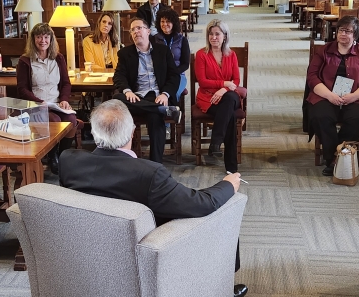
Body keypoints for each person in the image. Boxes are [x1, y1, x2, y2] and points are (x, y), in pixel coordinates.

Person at [59, 99, 248, 297]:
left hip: (86, 254)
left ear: (94, 132)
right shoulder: (149, 174)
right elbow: (201, 203)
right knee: (224, 210)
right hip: (144, 252)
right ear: (132, 132)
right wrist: (228, 184)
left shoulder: (69, 161)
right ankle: (221, 286)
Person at [306, 16, 359, 176]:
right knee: (321, 116)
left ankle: (335, 155)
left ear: (356, 35)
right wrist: (329, 95)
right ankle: (336, 157)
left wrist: (354, 96)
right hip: (326, 95)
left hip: (356, 97)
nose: (343, 34)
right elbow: (312, 77)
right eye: (341, 30)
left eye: (348, 31)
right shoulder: (324, 51)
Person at [113, 17, 181, 163]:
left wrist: (165, 94)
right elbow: (118, 76)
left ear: (148, 31)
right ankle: (161, 109)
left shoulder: (162, 51)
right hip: (136, 97)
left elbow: (174, 76)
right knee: (117, 99)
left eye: (139, 28)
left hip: (157, 96)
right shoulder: (125, 53)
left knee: (154, 118)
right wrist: (127, 91)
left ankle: (155, 164)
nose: (136, 32)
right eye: (132, 30)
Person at [17, 23, 78, 174]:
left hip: (56, 103)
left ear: (51, 39)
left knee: (72, 121)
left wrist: (64, 99)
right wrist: (38, 101)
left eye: (46, 37)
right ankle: (52, 156)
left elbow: (65, 83)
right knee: (55, 122)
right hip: (36, 105)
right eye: (39, 37)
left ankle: (60, 154)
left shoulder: (58, 58)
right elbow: (22, 89)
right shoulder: (25, 61)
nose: (42, 40)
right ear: (33, 39)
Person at [195, 19, 242, 172]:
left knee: (229, 99)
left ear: (225, 36)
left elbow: (236, 80)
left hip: (228, 95)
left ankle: (215, 142)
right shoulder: (201, 55)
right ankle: (231, 167)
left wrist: (224, 89)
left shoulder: (231, 54)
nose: (213, 37)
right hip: (209, 99)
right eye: (211, 34)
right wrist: (224, 84)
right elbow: (202, 82)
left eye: (217, 34)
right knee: (230, 117)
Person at [152, 8, 190, 100]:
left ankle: (173, 113)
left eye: (168, 21)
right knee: (155, 94)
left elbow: (185, 64)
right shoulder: (153, 39)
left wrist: (173, 73)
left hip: (178, 74)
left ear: (174, 23)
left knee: (172, 93)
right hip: (159, 75)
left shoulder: (182, 40)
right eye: (162, 21)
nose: (165, 24)